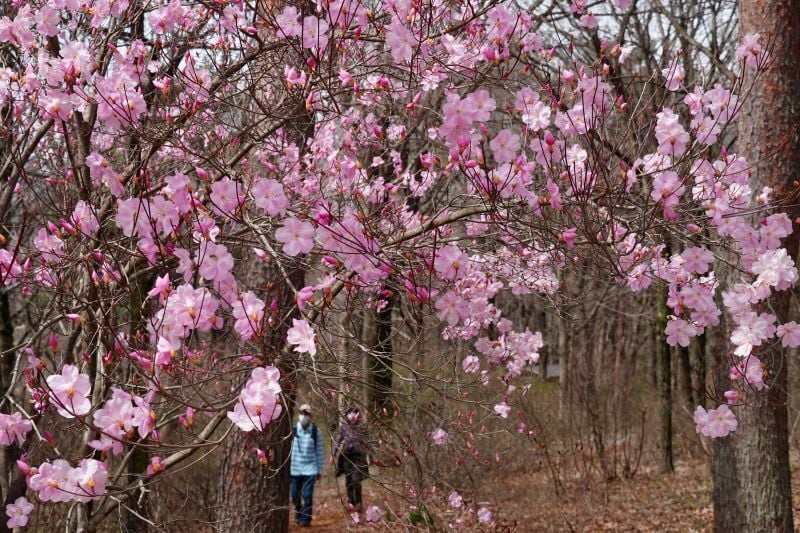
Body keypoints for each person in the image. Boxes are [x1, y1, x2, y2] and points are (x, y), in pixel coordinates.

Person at [290, 404, 324, 528]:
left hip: (310, 469)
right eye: (302, 413)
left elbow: (319, 451)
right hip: (295, 469)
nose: (304, 416)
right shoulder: (293, 429)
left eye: (306, 413)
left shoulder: (315, 431)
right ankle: (299, 512)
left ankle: (306, 520)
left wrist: (319, 469)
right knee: (294, 495)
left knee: (307, 495)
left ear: (310, 416)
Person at [333, 406, 369, 514]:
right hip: (347, 457)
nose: (352, 415)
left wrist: (372, 457)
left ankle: (358, 502)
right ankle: (351, 503)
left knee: (356, 480)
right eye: (349, 413)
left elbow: (368, 443)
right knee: (349, 481)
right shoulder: (344, 427)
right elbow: (338, 440)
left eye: (354, 413)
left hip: (359, 457)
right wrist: (333, 453)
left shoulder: (362, 427)